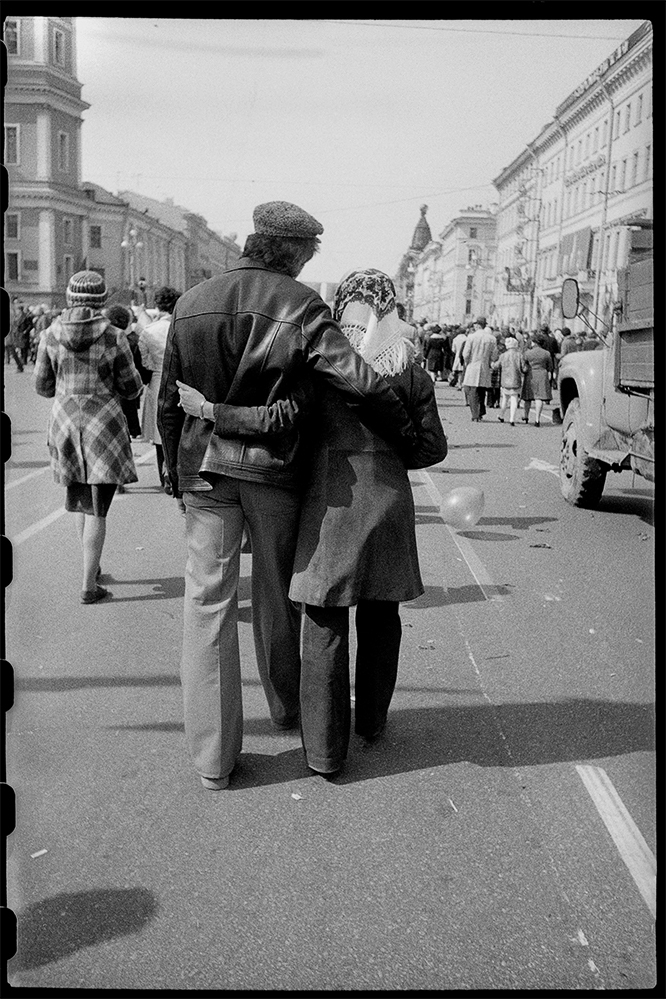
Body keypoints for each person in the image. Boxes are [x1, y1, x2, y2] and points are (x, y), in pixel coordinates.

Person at [158, 201, 418, 791]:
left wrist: (173, 473)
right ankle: (285, 711)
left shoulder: (191, 302)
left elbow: (169, 400)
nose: (307, 263)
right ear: (292, 249)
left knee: (205, 611)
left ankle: (213, 761)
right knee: (278, 600)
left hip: (203, 474)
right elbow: (358, 377)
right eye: (308, 253)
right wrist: (400, 424)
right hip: (273, 475)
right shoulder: (300, 305)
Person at [288, 269, 448, 776]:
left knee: (323, 623)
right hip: (389, 504)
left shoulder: (319, 363)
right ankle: (372, 722)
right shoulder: (407, 365)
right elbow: (431, 447)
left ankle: (325, 753)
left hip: (330, 502)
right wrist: (392, 454)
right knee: (382, 618)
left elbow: (293, 432)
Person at [34, 271, 143, 602]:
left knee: (81, 500)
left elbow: (42, 386)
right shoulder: (113, 336)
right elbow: (131, 386)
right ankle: (88, 585)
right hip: (104, 426)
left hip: (65, 424)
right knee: (98, 508)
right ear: (102, 300)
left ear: (69, 297)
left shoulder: (50, 333)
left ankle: (91, 569)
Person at [139, 287, 181, 490]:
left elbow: (144, 362)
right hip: (180, 381)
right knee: (178, 429)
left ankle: (163, 475)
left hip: (157, 380)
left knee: (159, 433)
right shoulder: (181, 326)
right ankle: (176, 473)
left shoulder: (148, 331)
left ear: (157, 305)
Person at [103, 304, 146, 441]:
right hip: (123, 392)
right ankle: (134, 429)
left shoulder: (102, 340)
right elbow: (132, 385)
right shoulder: (128, 339)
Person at [462, 317, 498, 421]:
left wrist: (467, 362)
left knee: (473, 391)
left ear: (477, 325)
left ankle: (475, 414)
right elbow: (494, 355)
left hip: (473, 365)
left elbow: (466, 353)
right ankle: (481, 411)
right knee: (482, 390)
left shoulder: (471, 337)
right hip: (484, 366)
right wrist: (490, 361)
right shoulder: (491, 338)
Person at [520, 332, 554, 426]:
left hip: (530, 375)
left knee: (528, 398)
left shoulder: (527, 353)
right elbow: (550, 366)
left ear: (534, 342)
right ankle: (537, 419)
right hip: (542, 375)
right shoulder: (546, 353)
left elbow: (523, 366)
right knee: (539, 398)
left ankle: (526, 416)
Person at [491, 336, 525, 426]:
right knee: (514, 399)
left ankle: (501, 415)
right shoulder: (519, 355)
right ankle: (512, 419)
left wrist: (492, 364)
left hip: (505, 379)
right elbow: (524, 368)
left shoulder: (503, 355)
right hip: (516, 379)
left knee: (505, 399)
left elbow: (496, 366)